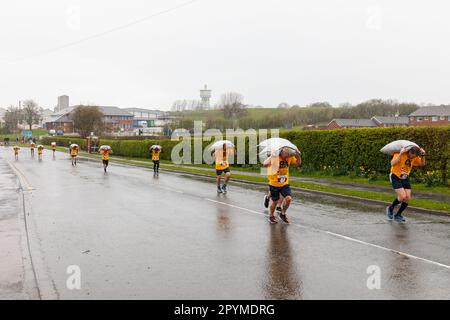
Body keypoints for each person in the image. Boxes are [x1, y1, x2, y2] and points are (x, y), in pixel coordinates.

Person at [386, 146, 426, 222]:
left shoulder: (415, 157)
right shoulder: (399, 153)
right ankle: (390, 208)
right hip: (395, 176)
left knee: (407, 198)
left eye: (414, 156)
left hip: (405, 177)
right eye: (411, 155)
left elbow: (422, 164)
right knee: (402, 197)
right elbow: (392, 163)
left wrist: (423, 155)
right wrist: (400, 153)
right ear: (409, 152)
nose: (412, 157)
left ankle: (398, 215)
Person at [263, 147, 302, 224]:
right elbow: (265, 164)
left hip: (284, 183)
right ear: (281, 152)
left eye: (288, 154)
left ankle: (283, 214)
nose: (287, 156)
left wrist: (298, 155)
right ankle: (271, 216)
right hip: (274, 183)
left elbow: (298, 163)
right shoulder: (275, 157)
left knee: (288, 199)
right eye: (286, 154)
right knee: (275, 202)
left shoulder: (289, 157)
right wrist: (271, 156)